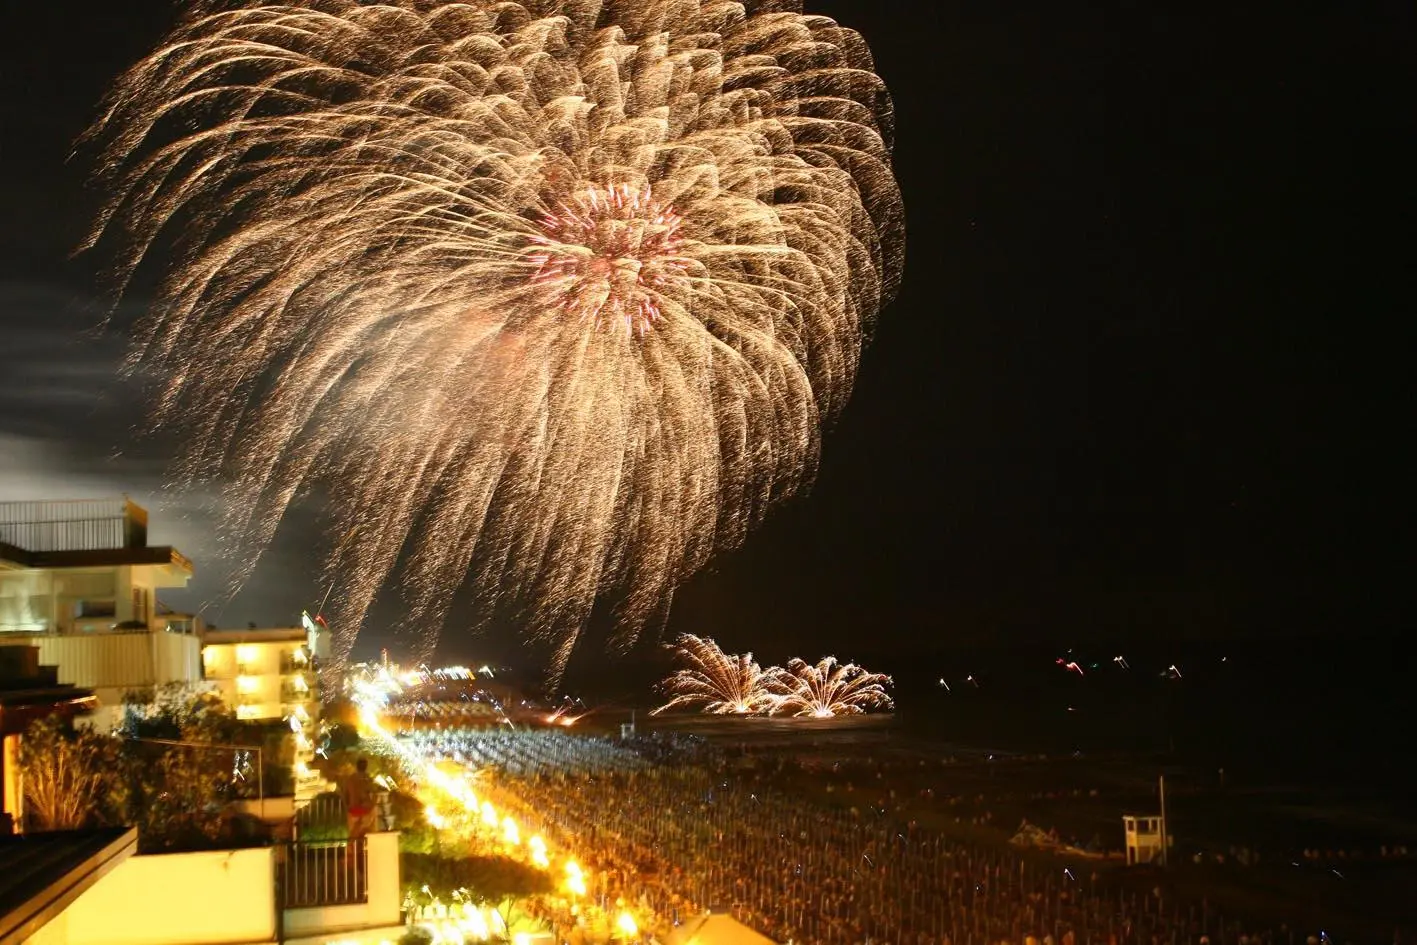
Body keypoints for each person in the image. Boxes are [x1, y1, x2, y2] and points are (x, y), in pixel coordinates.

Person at [343, 757, 378, 839]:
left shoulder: (350, 779)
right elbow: (374, 793)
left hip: (352, 810)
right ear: (366, 767)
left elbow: (345, 795)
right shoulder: (368, 779)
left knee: (353, 835)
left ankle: (352, 848)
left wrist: (347, 807)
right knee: (369, 834)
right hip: (366, 811)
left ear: (356, 766)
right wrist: (372, 805)